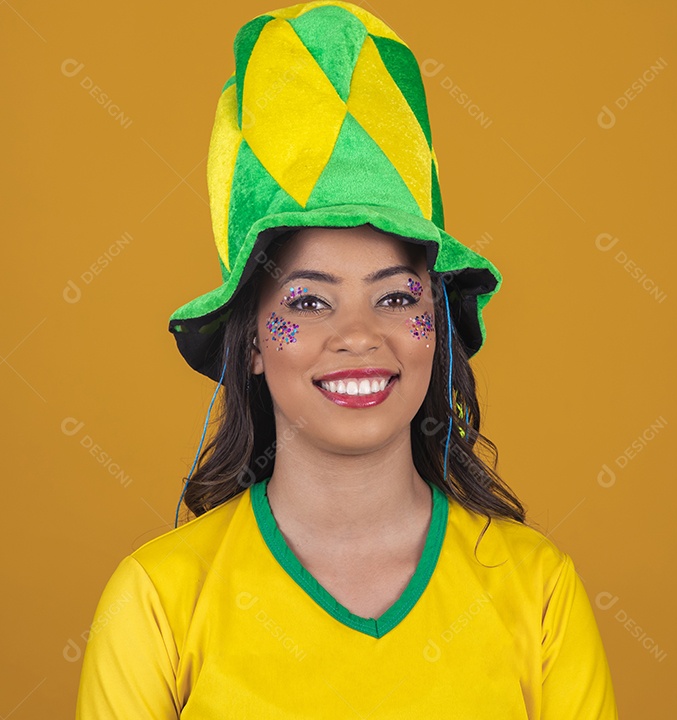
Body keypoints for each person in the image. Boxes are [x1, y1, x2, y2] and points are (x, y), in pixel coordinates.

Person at [75, 2, 618, 718]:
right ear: (255, 344)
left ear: (436, 327)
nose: (359, 336)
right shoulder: (157, 597)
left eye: (395, 299)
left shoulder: (538, 588)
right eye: (308, 302)